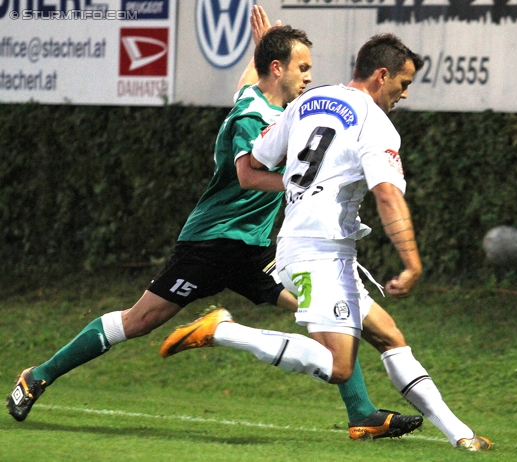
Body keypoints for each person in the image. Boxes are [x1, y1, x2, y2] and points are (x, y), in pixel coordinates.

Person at [6, 9, 422, 441]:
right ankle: (36, 376)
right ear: (277, 69)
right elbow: (246, 175)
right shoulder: (252, 117)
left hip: (258, 250)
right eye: (302, 68)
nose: (309, 77)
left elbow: (249, 81)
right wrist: (306, 184)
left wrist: (264, 45)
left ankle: (361, 413)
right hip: (211, 243)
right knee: (140, 320)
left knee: (323, 309)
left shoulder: (266, 100)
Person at [160, 33, 492, 451]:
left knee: (389, 337)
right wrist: (411, 263)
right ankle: (224, 331)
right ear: (381, 75)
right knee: (338, 365)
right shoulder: (376, 123)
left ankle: (460, 435)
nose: (404, 94)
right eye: (403, 84)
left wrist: (303, 184)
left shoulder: (306, 103)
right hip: (316, 252)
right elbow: (387, 195)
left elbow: (256, 158)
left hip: (316, 244)